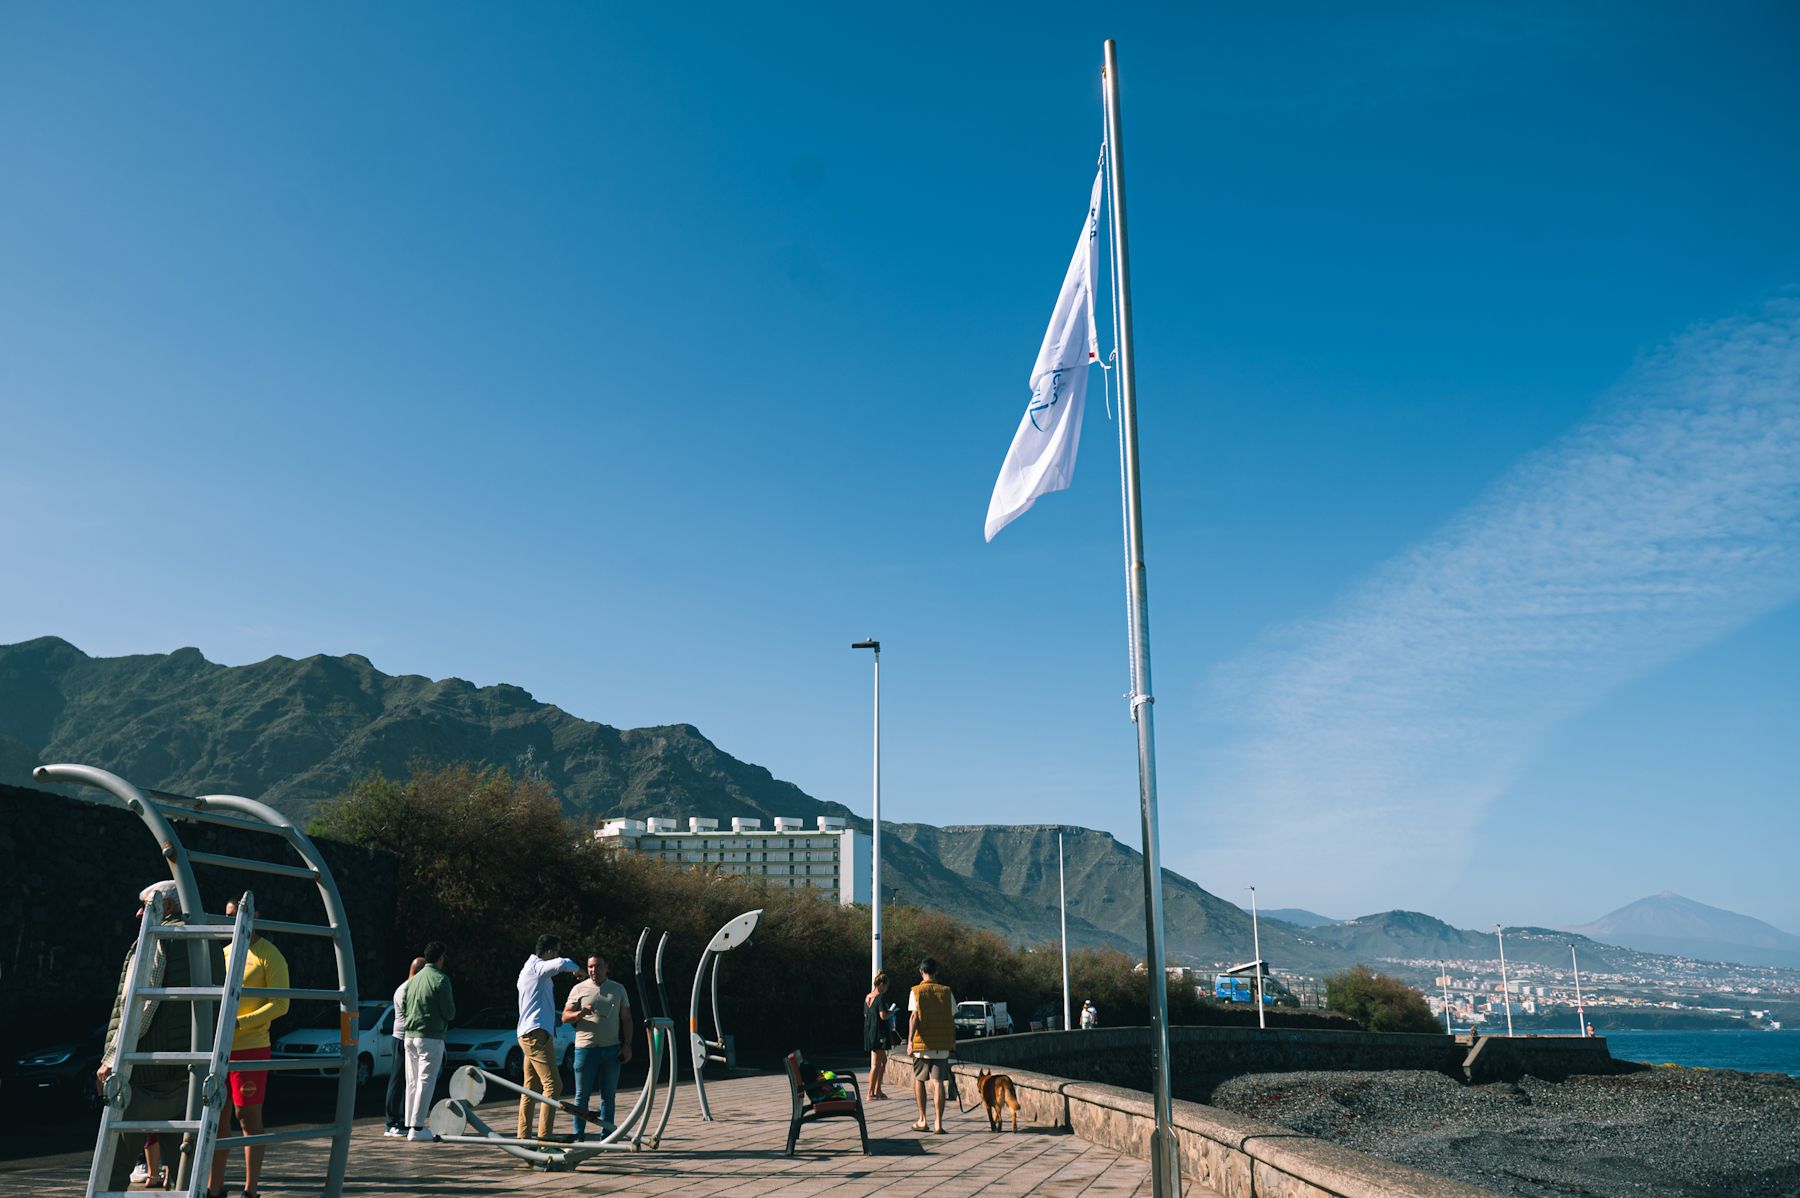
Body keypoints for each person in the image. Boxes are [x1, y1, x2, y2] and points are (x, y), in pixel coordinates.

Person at [98, 881, 193, 1195]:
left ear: (166, 907)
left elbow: (140, 1005)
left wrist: (112, 1057)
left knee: (113, 1165)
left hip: (146, 1071)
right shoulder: (202, 940)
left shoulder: (157, 938)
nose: (139, 914)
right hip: (187, 1071)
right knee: (183, 1171)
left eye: (146, 905)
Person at [208, 901, 290, 1198]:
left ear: (256, 916)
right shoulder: (225, 952)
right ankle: (213, 1188)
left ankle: (250, 1190)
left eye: (237, 915)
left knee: (248, 1120)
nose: (232, 920)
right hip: (220, 1051)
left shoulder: (271, 955)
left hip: (251, 1049)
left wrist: (241, 1023)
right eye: (228, 915)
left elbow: (281, 1004)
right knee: (217, 1120)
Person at [516, 934, 583, 1142]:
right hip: (536, 1034)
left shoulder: (527, 970)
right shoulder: (536, 968)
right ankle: (545, 1139)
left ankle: (523, 1138)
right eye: (556, 951)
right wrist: (577, 970)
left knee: (531, 1088)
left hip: (529, 1033)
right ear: (549, 952)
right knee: (553, 1085)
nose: (558, 955)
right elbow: (562, 963)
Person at [561, 952, 633, 1138]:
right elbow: (564, 1017)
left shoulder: (618, 989)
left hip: (611, 1049)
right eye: (591, 966)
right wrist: (580, 1014)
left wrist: (627, 1045)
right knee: (581, 1096)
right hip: (585, 1049)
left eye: (598, 966)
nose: (594, 970)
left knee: (608, 1097)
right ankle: (579, 1135)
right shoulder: (578, 989)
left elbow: (626, 1019)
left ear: (606, 967)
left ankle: (607, 1136)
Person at [401, 942, 455, 1142]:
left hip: (409, 1035)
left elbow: (404, 1004)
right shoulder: (441, 980)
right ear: (440, 958)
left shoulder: (414, 980)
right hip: (430, 1036)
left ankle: (409, 1124)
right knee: (426, 1081)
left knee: (412, 1081)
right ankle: (417, 1127)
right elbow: (449, 1012)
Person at [907, 956, 956, 1134]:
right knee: (939, 1083)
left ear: (921, 971)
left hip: (922, 1044)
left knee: (919, 1080)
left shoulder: (916, 991)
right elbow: (951, 1019)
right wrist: (952, 1042)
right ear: (936, 972)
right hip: (941, 1045)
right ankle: (939, 1124)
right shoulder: (947, 992)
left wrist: (910, 1041)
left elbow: (914, 1017)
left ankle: (922, 1120)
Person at [385, 957, 425, 1137]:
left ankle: (401, 1119)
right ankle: (392, 1122)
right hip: (402, 1038)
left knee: (406, 1080)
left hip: (405, 1037)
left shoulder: (407, 987)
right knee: (398, 1080)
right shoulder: (406, 990)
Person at [863, 971, 897, 1099]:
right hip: (879, 1033)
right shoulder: (880, 997)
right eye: (886, 986)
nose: (887, 989)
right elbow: (883, 1016)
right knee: (877, 1063)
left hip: (870, 1032)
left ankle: (878, 1090)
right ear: (882, 984)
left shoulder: (867, 997)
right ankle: (870, 1093)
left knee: (883, 1060)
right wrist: (891, 1012)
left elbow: (866, 1015)